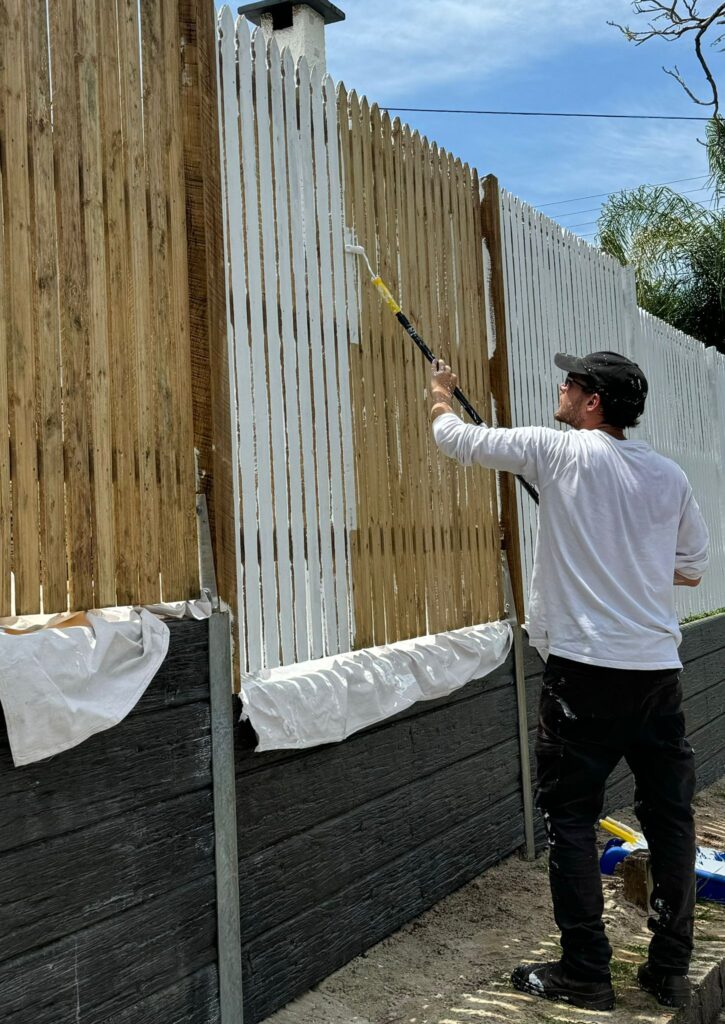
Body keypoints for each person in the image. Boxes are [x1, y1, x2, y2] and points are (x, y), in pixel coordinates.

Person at [429, 351, 710, 1013]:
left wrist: (441, 391)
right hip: (655, 676)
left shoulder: (555, 453)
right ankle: (667, 970)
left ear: (591, 404)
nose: (559, 387)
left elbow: (455, 440)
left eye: (571, 383)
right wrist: (624, 556)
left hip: (583, 676)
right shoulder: (667, 477)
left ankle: (585, 971)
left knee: (571, 821)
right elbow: (691, 569)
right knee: (669, 821)